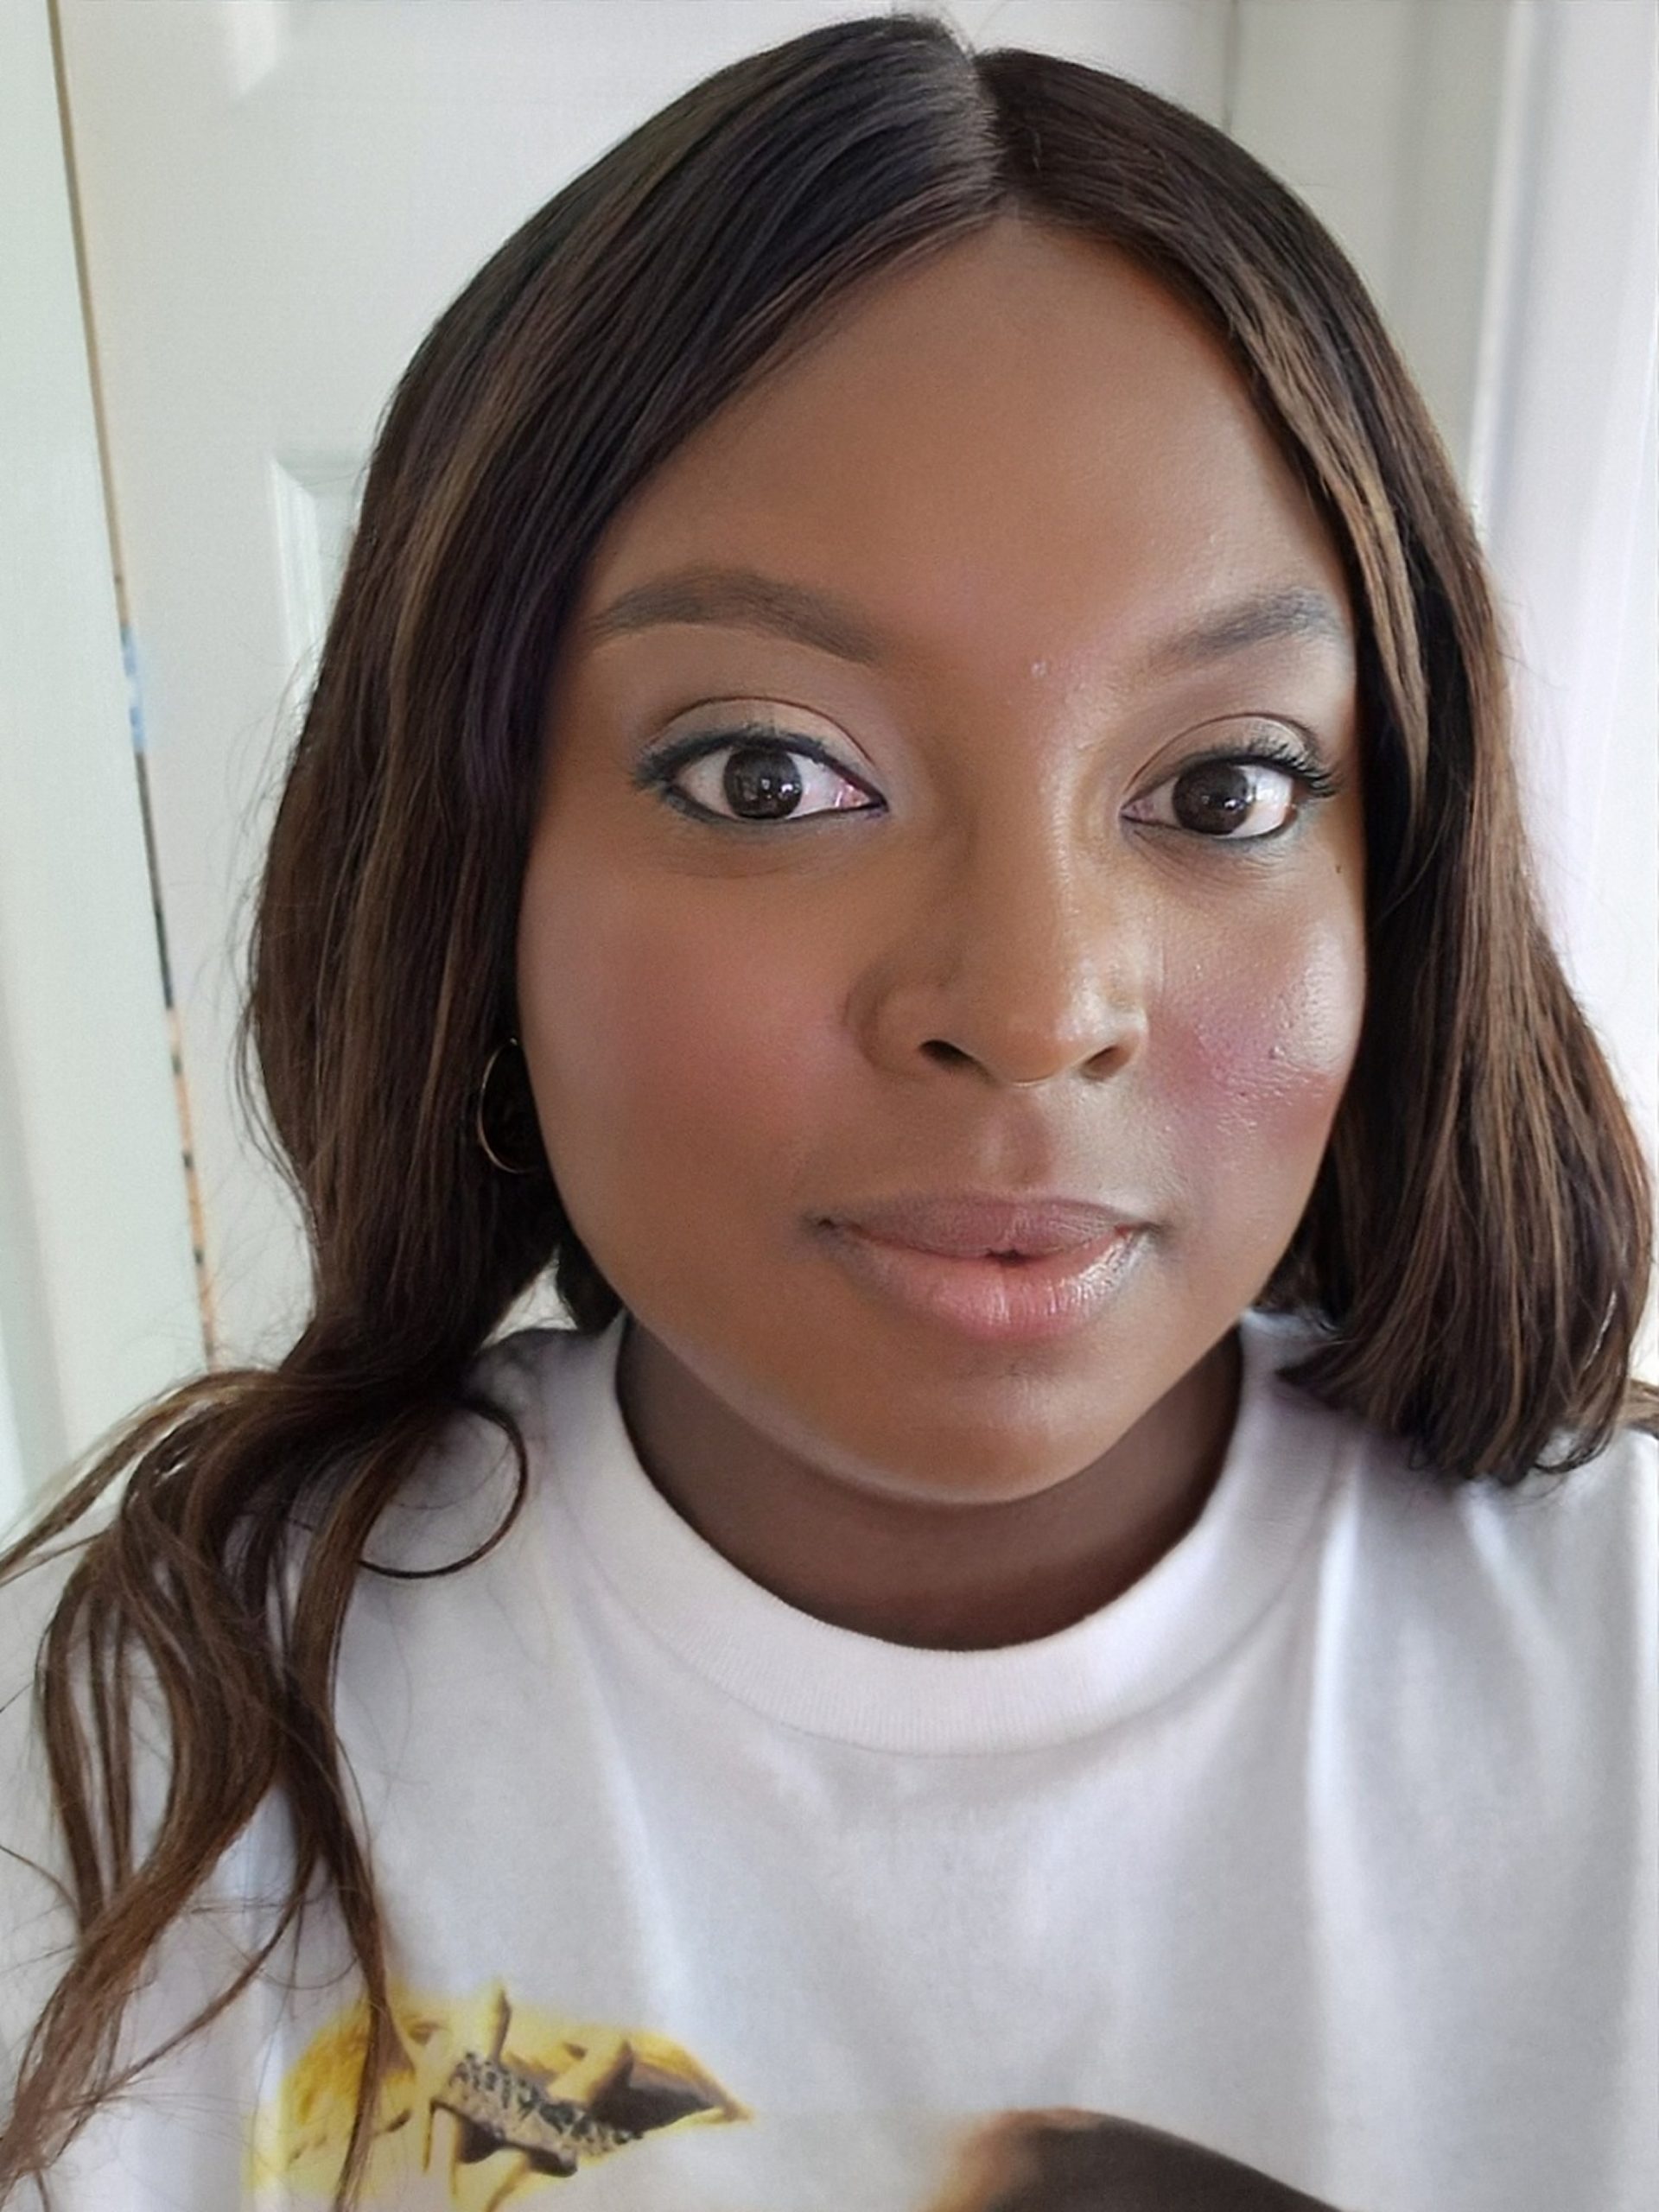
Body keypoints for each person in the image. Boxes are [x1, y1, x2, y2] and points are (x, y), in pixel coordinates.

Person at [2, 12, 1654, 2210]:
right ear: (478, 871)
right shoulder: (116, 1777)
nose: (1036, 1002)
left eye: (1223, 787)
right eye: (766, 774)